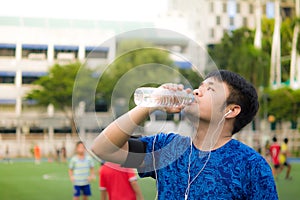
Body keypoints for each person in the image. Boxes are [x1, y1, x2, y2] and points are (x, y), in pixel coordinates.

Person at [91, 70, 278, 199]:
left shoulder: (252, 165)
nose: (196, 91)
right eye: (200, 87)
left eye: (210, 89)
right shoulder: (167, 147)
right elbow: (102, 148)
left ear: (231, 110)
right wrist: (150, 104)